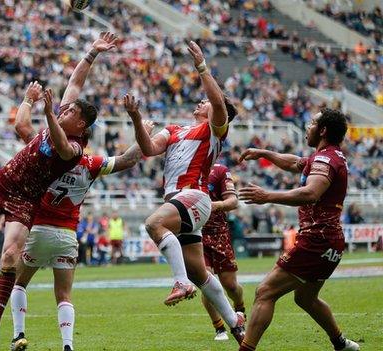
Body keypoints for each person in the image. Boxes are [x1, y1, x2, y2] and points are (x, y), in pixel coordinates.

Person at [0, 32, 114, 343]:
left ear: (81, 127)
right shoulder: (60, 121)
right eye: (65, 110)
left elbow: (59, 143)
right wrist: (91, 53)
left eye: (71, 113)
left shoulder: (74, 148)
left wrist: (47, 113)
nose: (66, 110)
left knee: (9, 258)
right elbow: (28, 120)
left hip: (25, 199)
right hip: (1, 180)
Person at [9, 75, 152, 350]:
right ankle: (67, 345)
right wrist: (143, 129)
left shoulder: (48, 151)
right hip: (67, 234)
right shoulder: (90, 163)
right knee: (64, 295)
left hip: (38, 228)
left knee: (19, 283)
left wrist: (30, 100)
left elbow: (22, 126)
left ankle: (18, 334)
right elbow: (128, 160)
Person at [126, 41, 245, 344]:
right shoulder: (175, 129)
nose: (200, 103)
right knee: (200, 273)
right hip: (180, 201)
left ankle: (179, 283)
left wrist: (202, 67)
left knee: (154, 224)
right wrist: (137, 120)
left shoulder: (214, 129)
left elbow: (218, 104)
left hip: (195, 196)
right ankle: (235, 323)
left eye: (204, 103)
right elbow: (149, 149)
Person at [238, 109, 360, 351]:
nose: (307, 127)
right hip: (330, 241)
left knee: (264, 292)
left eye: (312, 123)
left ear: (323, 130)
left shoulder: (325, 159)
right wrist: (264, 152)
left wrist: (267, 196)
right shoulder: (329, 156)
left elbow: (310, 193)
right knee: (305, 298)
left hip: (317, 240)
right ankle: (341, 344)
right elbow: (295, 163)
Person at [199, 164, 243, 341]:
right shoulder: (186, 169)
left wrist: (215, 205)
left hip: (219, 234)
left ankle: (240, 308)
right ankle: (219, 327)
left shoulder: (220, 171)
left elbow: (233, 202)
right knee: (206, 282)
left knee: (230, 285)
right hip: (196, 234)